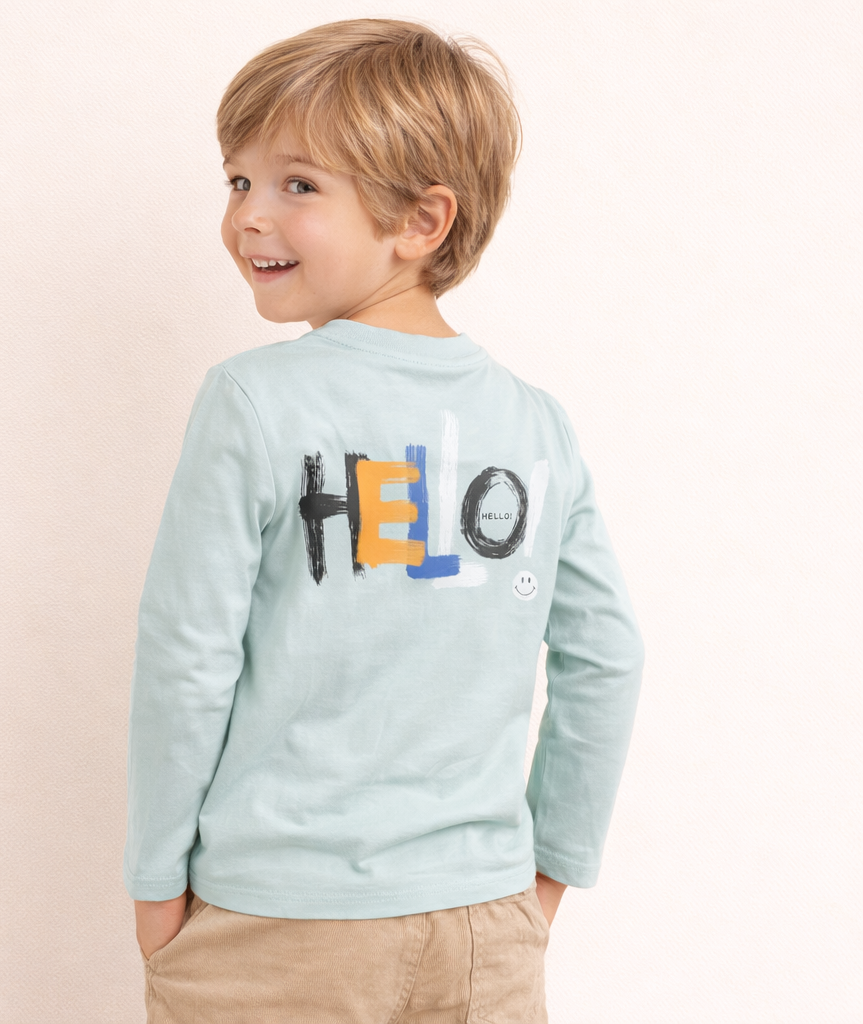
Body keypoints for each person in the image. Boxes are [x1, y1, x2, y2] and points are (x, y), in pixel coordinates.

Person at [123, 18, 644, 1023]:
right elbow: (608, 655)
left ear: (421, 220)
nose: (248, 216)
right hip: (485, 925)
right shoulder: (534, 423)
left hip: (276, 924)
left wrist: (154, 885)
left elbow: (187, 656)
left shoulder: (254, 400)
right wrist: (547, 874)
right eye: (237, 180)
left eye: (297, 184)